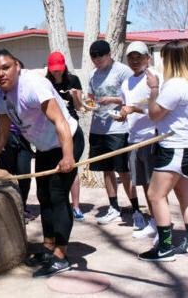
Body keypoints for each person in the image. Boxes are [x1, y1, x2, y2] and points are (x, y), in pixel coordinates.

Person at [0, 49, 84, 277]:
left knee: (57, 195)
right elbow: (2, 136)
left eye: (5, 68)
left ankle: (61, 255)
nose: (0, 73)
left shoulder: (33, 85)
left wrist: (67, 156)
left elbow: (61, 121)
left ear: (17, 67)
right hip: (44, 147)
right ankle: (48, 246)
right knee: (43, 195)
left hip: (67, 140)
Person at [138, 40, 188, 262]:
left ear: (170, 59)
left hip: (176, 147)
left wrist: (154, 88)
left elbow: (154, 114)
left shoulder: (175, 85)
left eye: (163, 57)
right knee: (186, 196)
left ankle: (165, 247)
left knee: (155, 195)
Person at [86, 40, 145, 230]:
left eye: (100, 56)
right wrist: (88, 104)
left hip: (118, 129)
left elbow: (132, 97)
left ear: (109, 54)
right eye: (93, 57)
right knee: (106, 169)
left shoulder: (122, 71)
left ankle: (136, 210)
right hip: (98, 128)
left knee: (124, 171)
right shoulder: (92, 75)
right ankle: (113, 207)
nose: (97, 61)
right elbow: (90, 98)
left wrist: (112, 99)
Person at [118, 41, 163, 240]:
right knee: (144, 184)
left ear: (148, 58)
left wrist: (136, 109)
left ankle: (163, 227)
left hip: (152, 138)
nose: (135, 61)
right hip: (133, 139)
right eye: (131, 57)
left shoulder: (154, 79)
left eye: (139, 57)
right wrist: (122, 113)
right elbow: (126, 106)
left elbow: (161, 109)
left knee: (157, 187)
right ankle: (154, 222)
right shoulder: (126, 83)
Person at [46, 51, 85, 221]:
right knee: (56, 167)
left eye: (59, 69)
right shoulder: (45, 83)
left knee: (72, 166)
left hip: (72, 126)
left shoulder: (73, 80)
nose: (57, 72)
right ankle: (59, 204)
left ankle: (75, 206)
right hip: (52, 129)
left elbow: (78, 107)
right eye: (54, 70)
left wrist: (76, 96)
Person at [0, 87, 33, 219]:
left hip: (23, 136)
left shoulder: (22, 93)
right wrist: (10, 116)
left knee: (24, 174)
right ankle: (8, 208)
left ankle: (22, 207)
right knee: (6, 175)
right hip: (3, 137)